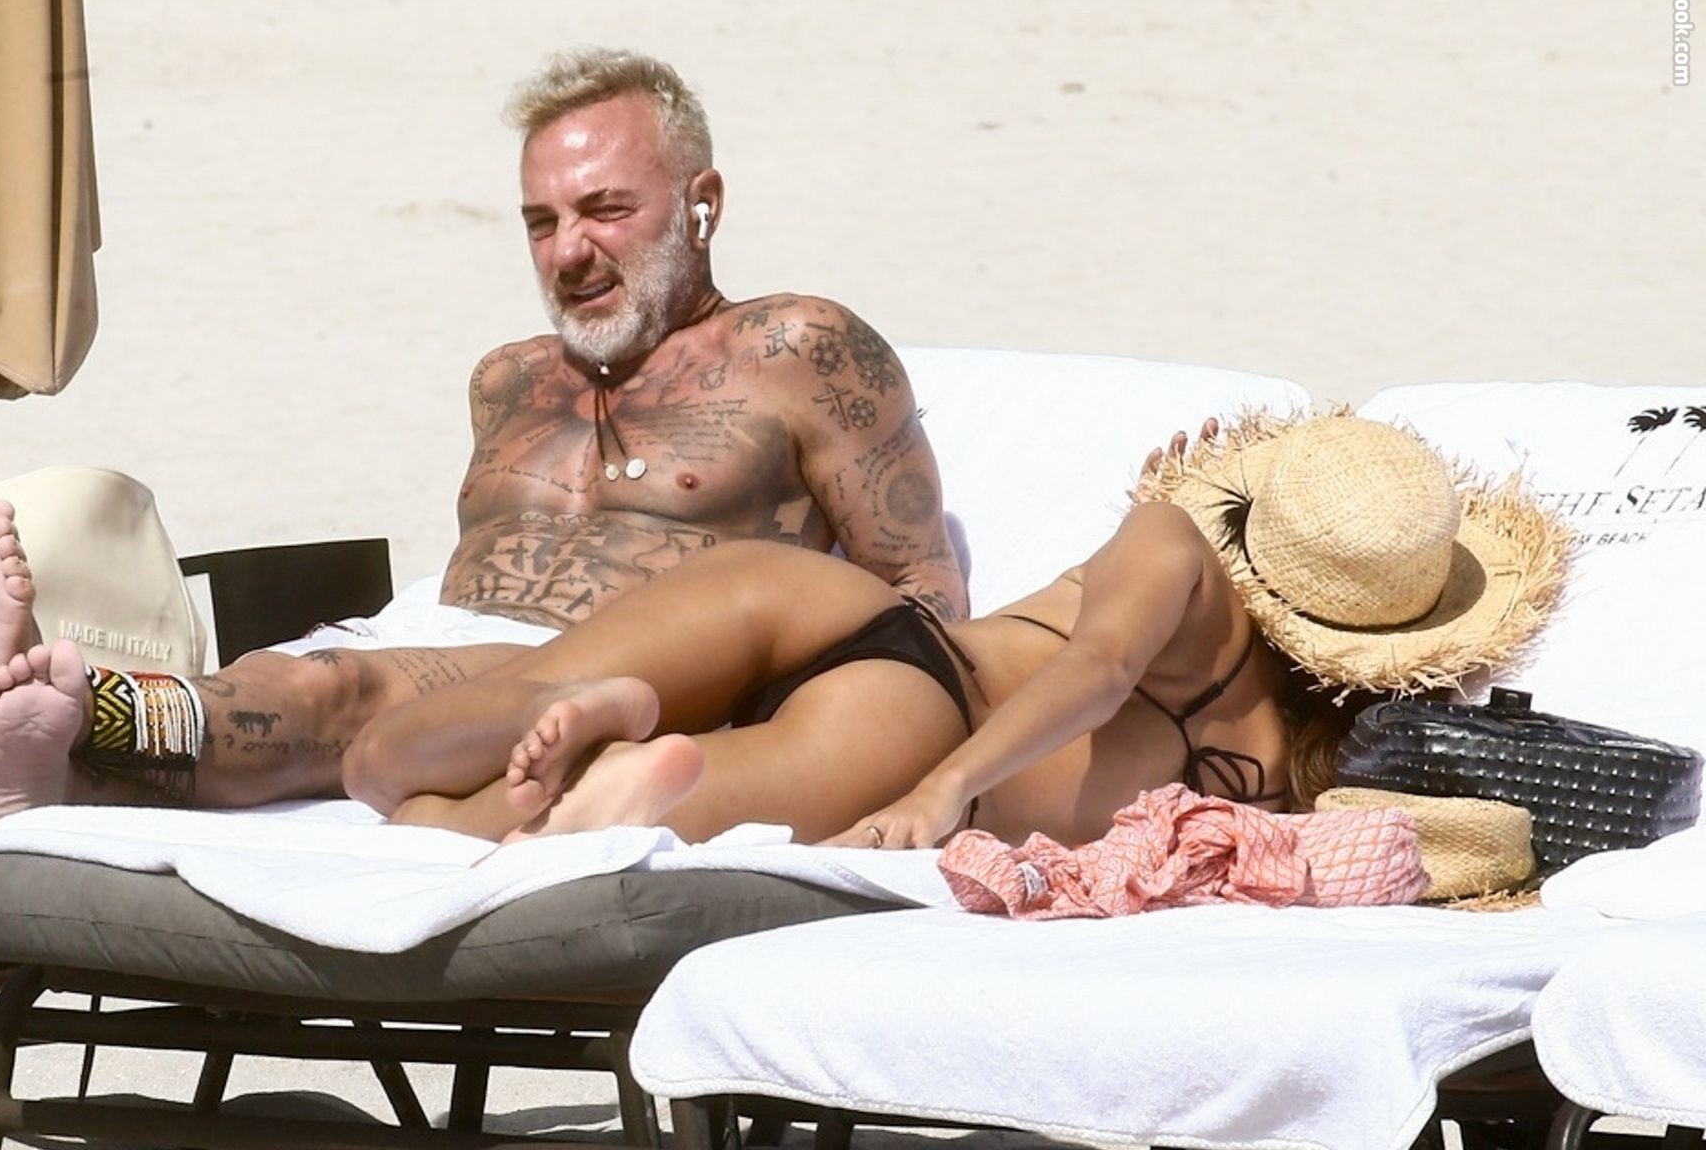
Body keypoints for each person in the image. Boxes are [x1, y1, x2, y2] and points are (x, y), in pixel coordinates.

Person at [0, 48, 965, 822]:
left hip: (630, 670)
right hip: (437, 637)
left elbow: (918, 598)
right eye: (541, 221)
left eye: (606, 209)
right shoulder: (508, 378)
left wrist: (830, 741)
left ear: (702, 205)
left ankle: (80, 712)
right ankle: (56, 755)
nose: (568, 251)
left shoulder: (799, 347)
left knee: (341, 691)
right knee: (287, 675)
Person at [308, 413, 1568, 848]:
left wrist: (943, 783)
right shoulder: (1292, 769)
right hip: (905, 722)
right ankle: (618, 750)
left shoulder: (1175, 545)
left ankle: (620, 710)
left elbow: (1096, 664)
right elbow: (1097, 681)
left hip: (840, 621)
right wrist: (940, 791)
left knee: (386, 771)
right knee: (439, 819)